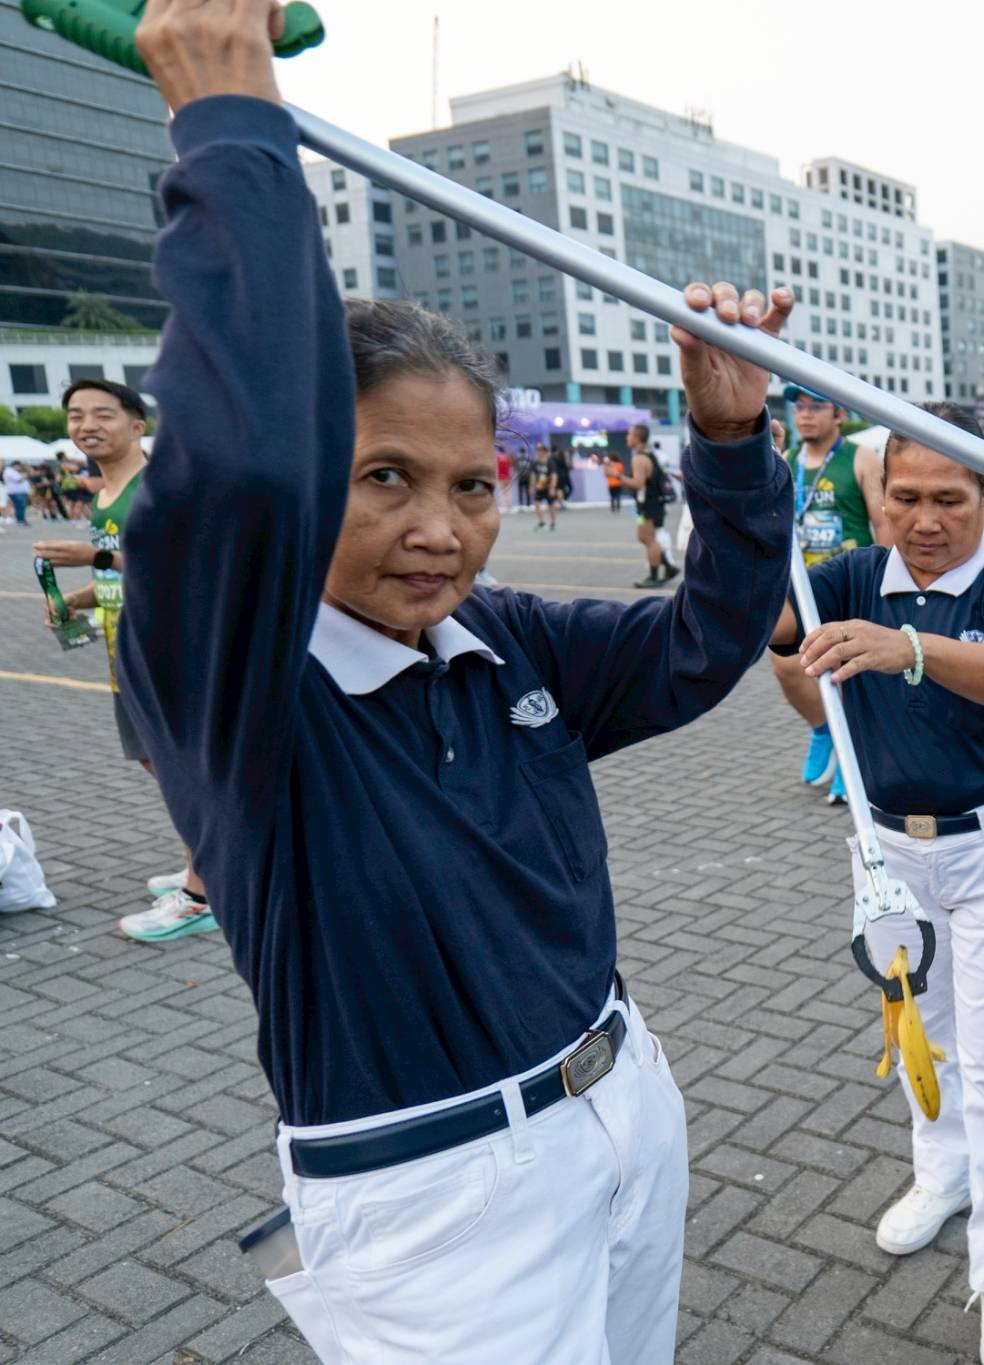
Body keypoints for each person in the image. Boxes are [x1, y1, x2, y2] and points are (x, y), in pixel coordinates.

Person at [117, 10, 799, 1358]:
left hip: (626, 1107)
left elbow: (705, 639)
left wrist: (727, 439)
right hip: (434, 1203)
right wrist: (227, 118)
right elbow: (246, 464)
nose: (439, 529)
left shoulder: (507, 641)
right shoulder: (230, 688)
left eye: (472, 487)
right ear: (319, 475)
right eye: (385, 480)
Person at [769, 402, 984, 1365]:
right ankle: (943, 1174)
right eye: (905, 497)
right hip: (888, 847)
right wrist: (782, 643)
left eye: (950, 498)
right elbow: (789, 655)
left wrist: (912, 648)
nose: (926, 519)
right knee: (919, 1029)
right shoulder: (852, 574)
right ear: (879, 496)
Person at [32, 377, 213, 938]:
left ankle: (202, 895)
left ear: (138, 425)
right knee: (159, 763)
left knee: (184, 770)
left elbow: (189, 560)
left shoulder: (161, 484)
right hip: (125, 649)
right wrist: (77, 601)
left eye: (103, 414)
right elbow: (122, 575)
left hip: (174, 652)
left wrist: (97, 555)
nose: (87, 425)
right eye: (75, 416)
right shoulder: (102, 494)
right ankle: (206, 866)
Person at [774, 383, 886, 804]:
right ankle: (824, 729)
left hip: (848, 585)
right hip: (801, 587)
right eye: (799, 407)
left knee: (842, 676)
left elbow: (884, 524)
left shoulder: (861, 458)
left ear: (838, 414)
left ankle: (850, 755)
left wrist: (886, 587)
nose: (805, 415)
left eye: (816, 406)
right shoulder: (789, 461)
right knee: (786, 669)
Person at [619, 424, 679, 588]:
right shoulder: (649, 454)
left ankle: (654, 577)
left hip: (649, 505)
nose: (627, 437)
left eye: (629, 434)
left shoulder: (639, 458)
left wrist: (618, 476)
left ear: (637, 438)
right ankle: (668, 566)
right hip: (651, 504)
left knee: (649, 539)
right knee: (643, 537)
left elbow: (638, 484)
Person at [3, 460, 29, 528]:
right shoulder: (10, 471)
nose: (20, 467)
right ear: (15, 465)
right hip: (15, 492)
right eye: (19, 466)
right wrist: (25, 475)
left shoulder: (13, 471)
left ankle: (21, 520)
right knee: (20, 506)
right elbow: (19, 479)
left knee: (20, 506)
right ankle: (20, 520)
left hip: (19, 492)